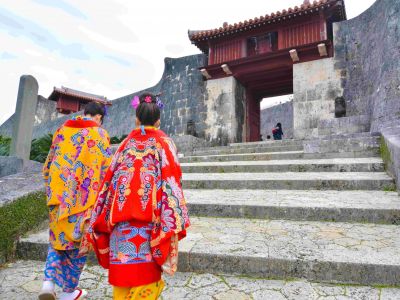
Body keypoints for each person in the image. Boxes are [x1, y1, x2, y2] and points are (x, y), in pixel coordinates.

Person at [87, 92, 190, 300]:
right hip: (149, 229)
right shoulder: (164, 142)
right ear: (158, 121)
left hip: (119, 227)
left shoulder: (124, 145)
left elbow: (109, 180)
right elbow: (173, 181)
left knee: (122, 285)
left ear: (136, 118)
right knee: (147, 283)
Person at [39, 102, 112, 300]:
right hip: (84, 200)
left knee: (56, 241)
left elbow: (48, 164)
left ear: (84, 113)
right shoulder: (100, 134)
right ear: (98, 117)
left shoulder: (62, 130)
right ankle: (69, 292)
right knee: (78, 245)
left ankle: (48, 282)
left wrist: (51, 188)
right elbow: (106, 170)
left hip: (58, 195)